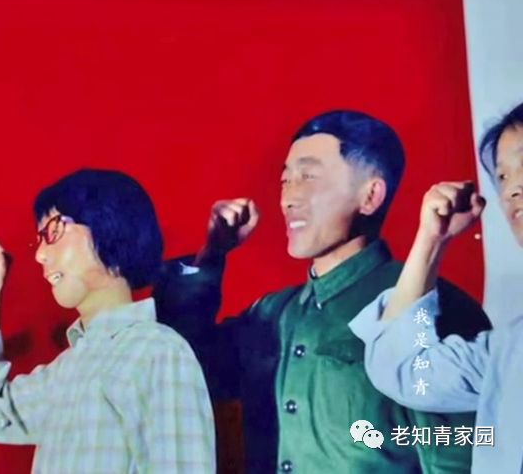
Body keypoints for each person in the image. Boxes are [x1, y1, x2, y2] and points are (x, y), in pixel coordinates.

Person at [154, 110, 491, 473]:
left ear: (370, 196)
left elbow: (464, 456)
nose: (288, 199)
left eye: (308, 177)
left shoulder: (426, 308)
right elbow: (186, 368)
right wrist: (211, 255)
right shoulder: (273, 314)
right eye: (285, 180)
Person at [0, 169, 215, 473]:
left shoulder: (159, 352)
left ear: (109, 226)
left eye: (54, 230)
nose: (40, 255)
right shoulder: (64, 371)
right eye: (39, 240)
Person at [349, 101, 523, 473]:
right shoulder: (508, 351)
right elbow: (406, 371)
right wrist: (432, 239)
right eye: (503, 176)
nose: (512, 189)